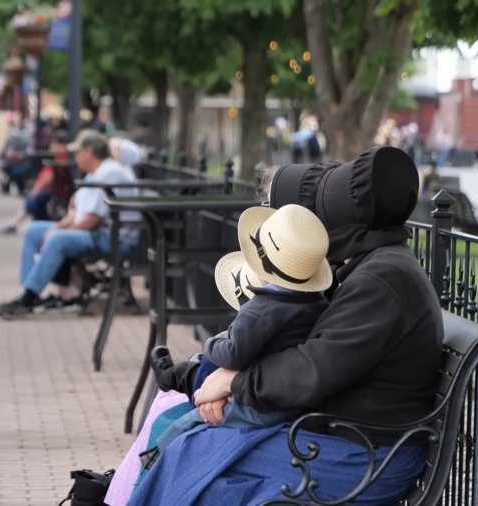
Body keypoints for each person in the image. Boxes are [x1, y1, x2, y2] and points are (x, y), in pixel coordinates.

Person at [123, 148, 444, 506]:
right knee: (188, 446)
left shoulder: (382, 278)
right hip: (349, 438)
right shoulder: (375, 268)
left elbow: (311, 368)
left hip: (369, 456)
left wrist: (233, 381)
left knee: (191, 455)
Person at [146, 203, 332, 460]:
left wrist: (211, 342)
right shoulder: (317, 302)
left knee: (190, 414)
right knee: (202, 364)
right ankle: (175, 376)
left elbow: (233, 354)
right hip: (288, 394)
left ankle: (154, 456)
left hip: (259, 404)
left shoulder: (260, 311)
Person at [0, 130, 140, 319]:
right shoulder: (96, 173)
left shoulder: (108, 173)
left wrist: (58, 232)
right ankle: (29, 288)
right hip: (100, 232)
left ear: (89, 152)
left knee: (57, 239)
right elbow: (77, 213)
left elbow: (92, 219)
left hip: (113, 238)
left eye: (78, 152)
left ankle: (28, 298)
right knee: (34, 230)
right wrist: (56, 228)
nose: (76, 156)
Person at [0, 129, 68, 235]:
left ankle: (19, 224)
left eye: (54, 143)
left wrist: (36, 189)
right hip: (52, 190)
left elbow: (50, 176)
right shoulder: (61, 155)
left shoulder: (61, 155)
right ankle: (15, 224)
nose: (51, 145)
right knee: (32, 197)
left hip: (53, 190)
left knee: (33, 198)